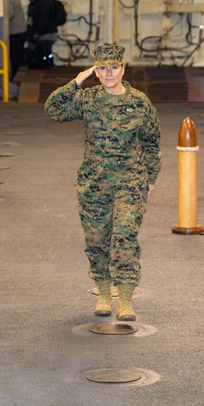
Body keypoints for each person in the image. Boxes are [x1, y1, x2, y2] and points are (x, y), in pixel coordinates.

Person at [44, 44, 161, 321]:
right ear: (97, 71)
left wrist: (151, 178)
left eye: (114, 67)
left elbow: (152, 142)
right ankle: (105, 295)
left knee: (124, 237)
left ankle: (127, 301)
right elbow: (53, 109)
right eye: (103, 68)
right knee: (97, 241)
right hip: (94, 183)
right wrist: (77, 81)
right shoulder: (88, 99)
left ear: (123, 68)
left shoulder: (140, 102)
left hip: (130, 182)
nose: (110, 74)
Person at [26, 0, 61, 69]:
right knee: (47, 52)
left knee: (45, 52)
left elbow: (42, 19)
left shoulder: (44, 3)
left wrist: (37, 32)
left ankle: (48, 67)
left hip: (46, 34)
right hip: (48, 33)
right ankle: (48, 66)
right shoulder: (44, 1)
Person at [8, 0, 27, 81]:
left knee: (14, 56)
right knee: (20, 54)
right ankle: (22, 76)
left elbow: (9, 14)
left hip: (14, 31)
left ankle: (15, 76)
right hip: (22, 30)